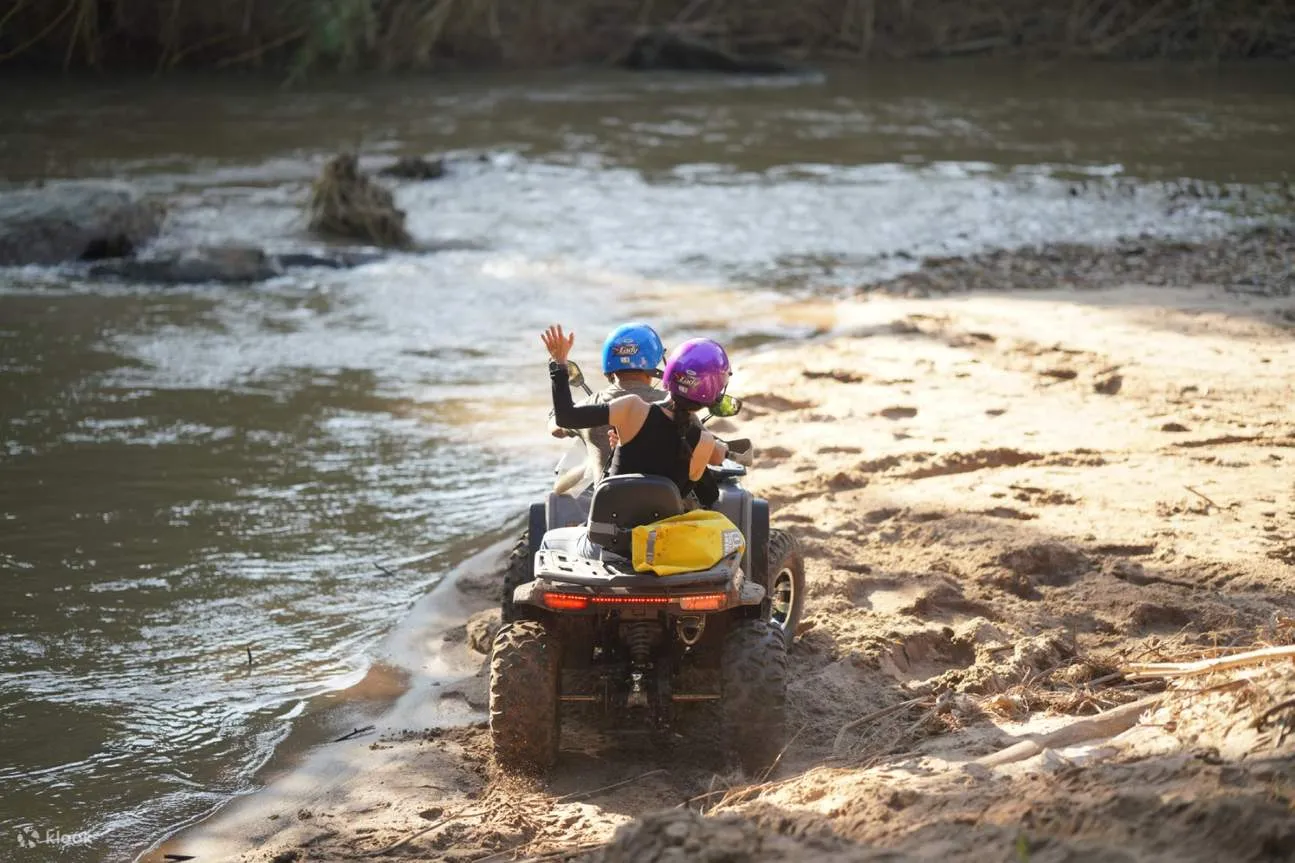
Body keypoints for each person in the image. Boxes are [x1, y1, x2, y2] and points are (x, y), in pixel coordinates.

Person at [542, 325, 731, 504]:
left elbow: (562, 420)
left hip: (609, 524)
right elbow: (709, 495)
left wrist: (559, 363)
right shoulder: (701, 437)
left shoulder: (628, 408)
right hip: (665, 529)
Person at [549, 322, 669, 492]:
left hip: (610, 512)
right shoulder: (673, 403)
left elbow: (557, 428)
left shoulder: (593, 404)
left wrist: (554, 413)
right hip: (667, 509)